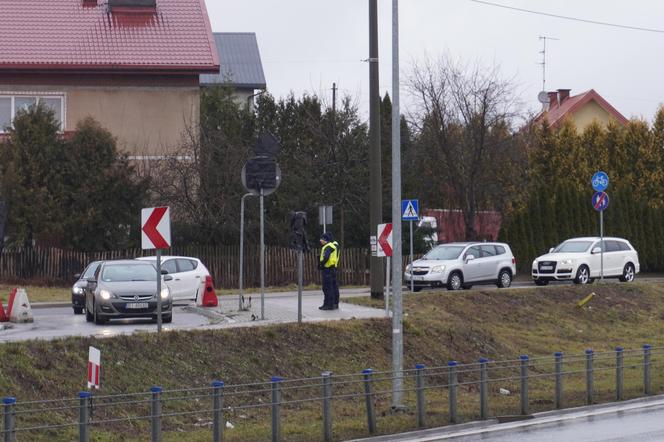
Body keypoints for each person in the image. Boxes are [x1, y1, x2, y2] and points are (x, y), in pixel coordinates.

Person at [318, 232, 340, 310]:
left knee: (327, 288)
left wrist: (321, 264)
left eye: (322, 239)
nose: (320, 240)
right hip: (333, 268)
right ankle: (335, 303)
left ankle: (328, 305)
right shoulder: (335, 245)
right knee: (333, 287)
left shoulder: (328, 246)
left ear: (325, 240)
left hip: (328, 269)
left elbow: (326, 257)